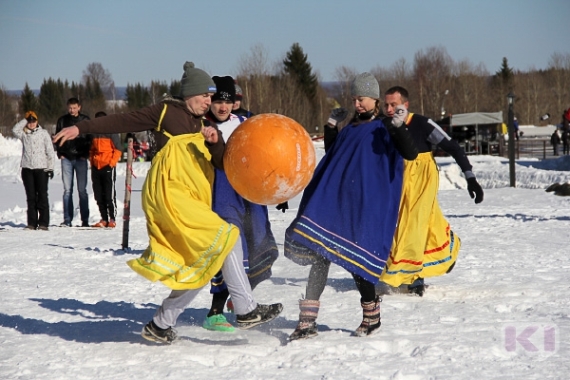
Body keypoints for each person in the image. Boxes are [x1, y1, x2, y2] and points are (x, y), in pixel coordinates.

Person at [53, 61, 282, 344]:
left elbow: (224, 165)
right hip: (170, 196)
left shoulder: (204, 125)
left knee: (207, 257)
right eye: (205, 97)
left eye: (212, 98)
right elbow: (124, 120)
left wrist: (214, 143)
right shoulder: (165, 112)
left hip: (193, 198)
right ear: (190, 94)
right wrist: (82, 128)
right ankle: (246, 309)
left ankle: (161, 324)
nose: (209, 102)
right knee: (225, 236)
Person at [284, 73, 418, 340]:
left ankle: (371, 314)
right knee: (321, 257)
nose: (358, 104)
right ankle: (307, 321)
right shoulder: (351, 129)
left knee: (358, 262)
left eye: (362, 99)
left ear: (375, 99)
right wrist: (332, 127)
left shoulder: (384, 127)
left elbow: (409, 153)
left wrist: (398, 127)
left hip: (365, 207)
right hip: (339, 205)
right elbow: (335, 156)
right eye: (355, 99)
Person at [378, 86, 484, 296]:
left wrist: (470, 178)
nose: (389, 109)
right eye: (386, 104)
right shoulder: (383, 125)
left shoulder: (423, 124)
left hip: (421, 179)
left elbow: (453, 147)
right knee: (401, 225)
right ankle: (436, 255)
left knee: (414, 224)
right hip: (395, 179)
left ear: (405, 105)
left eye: (394, 105)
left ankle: (415, 275)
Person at [202, 75, 279, 332]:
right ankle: (215, 312)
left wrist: (277, 190)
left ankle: (242, 301)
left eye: (227, 101)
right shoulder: (203, 127)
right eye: (217, 101)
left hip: (249, 196)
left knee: (254, 245)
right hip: (220, 195)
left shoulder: (245, 123)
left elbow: (265, 154)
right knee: (228, 250)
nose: (223, 106)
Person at [12, 111, 54, 230]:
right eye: (29, 121)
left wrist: (50, 168)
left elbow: (50, 152)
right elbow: (15, 130)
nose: (31, 124)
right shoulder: (24, 134)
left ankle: (43, 223)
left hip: (41, 169)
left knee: (42, 196)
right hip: (27, 168)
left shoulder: (44, 133)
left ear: (37, 121)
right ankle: (32, 223)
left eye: (33, 121)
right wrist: (25, 119)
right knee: (31, 197)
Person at [55, 97, 92, 227]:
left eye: (74, 108)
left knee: (82, 190)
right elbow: (57, 137)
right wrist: (60, 153)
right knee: (67, 190)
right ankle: (67, 219)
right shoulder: (62, 120)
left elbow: (90, 139)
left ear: (79, 107)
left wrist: (86, 154)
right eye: (70, 108)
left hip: (81, 158)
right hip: (67, 158)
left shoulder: (85, 121)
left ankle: (85, 220)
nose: (72, 110)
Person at [89, 111, 122, 228]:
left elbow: (118, 149)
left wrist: (111, 164)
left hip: (108, 166)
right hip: (96, 167)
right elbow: (92, 150)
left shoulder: (111, 132)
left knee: (109, 195)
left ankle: (112, 218)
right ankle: (104, 218)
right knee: (98, 195)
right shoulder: (94, 133)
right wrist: (92, 162)